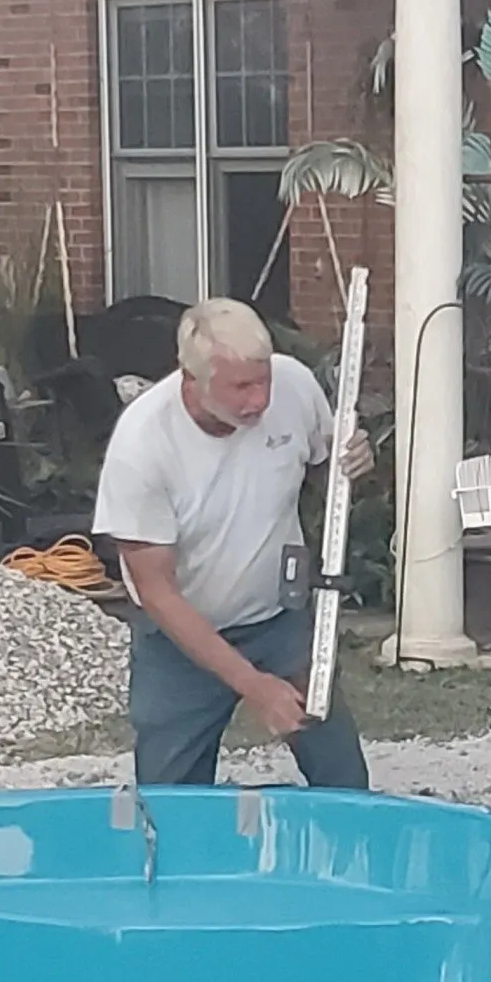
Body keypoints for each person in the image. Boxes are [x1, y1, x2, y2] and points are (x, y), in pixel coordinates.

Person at [93, 297, 373, 789]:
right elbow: (157, 593)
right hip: (182, 639)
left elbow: (329, 466)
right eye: (242, 387)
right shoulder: (141, 446)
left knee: (341, 774)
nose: (260, 400)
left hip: (279, 617)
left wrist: (355, 461)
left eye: (263, 380)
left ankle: (348, 857)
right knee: (169, 799)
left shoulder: (293, 384)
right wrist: (254, 686)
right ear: (191, 379)